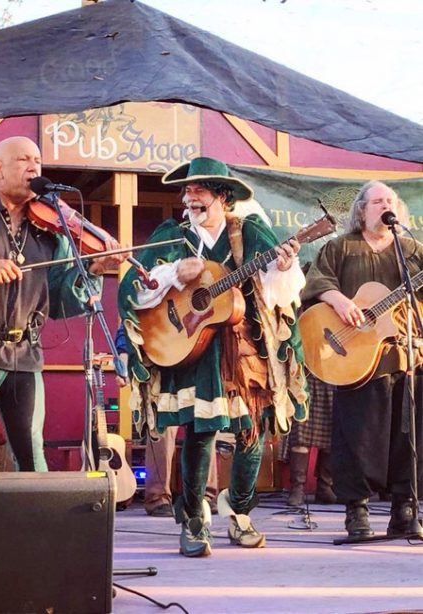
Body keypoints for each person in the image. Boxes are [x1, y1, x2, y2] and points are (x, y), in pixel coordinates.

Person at [118, 156, 308, 557]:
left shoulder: (250, 233)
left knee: (253, 432)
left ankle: (238, 512)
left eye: (199, 190)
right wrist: (173, 274)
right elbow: (138, 289)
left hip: (243, 348)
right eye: (187, 191)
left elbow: (280, 292)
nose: (190, 197)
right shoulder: (172, 234)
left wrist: (283, 266)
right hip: (191, 348)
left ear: (223, 196)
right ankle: (194, 520)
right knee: (199, 434)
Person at [0, 136, 126, 472]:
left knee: (32, 453)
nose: (33, 167)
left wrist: (95, 268)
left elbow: (58, 299)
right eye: (23, 160)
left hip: (24, 352)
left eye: (37, 161)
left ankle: (37, 526)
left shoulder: (50, 226)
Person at [302, 180, 423, 539]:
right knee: (358, 436)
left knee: (409, 434)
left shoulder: (412, 250)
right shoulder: (342, 247)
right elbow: (316, 282)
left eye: (390, 200)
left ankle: (404, 507)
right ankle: (357, 511)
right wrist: (338, 299)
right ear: (361, 210)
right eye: (377, 201)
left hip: (402, 355)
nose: (385, 205)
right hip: (355, 358)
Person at [115, 321, 219, 517]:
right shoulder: (148, 289)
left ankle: (206, 495)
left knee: (206, 423)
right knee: (160, 430)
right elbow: (130, 320)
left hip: (198, 357)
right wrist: (123, 357)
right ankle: (158, 497)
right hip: (162, 360)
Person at [283, 374, 337, 506]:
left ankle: (324, 486)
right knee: (300, 436)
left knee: (332, 436)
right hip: (305, 376)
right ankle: (297, 488)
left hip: (333, 374)